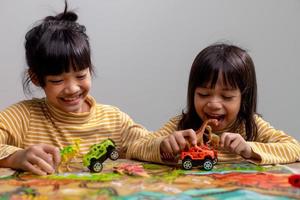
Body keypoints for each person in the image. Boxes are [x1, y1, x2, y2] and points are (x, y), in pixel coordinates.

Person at [0, 2, 150, 175]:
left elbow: (145, 143)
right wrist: (16, 157)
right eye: (57, 80)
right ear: (36, 78)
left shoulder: (114, 120)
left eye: (80, 76)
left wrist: (164, 144)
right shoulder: (23, 117)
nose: (72, 89)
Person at [127, 43, 300, 165]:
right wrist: (163, 144)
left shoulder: (251, 127)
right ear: (192, 93)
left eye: (226, 97)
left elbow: (294, 148)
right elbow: (134, 147)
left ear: (243, 98)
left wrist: (248, 149)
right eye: (203, 94)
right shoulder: (181, 126)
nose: (214, 104)